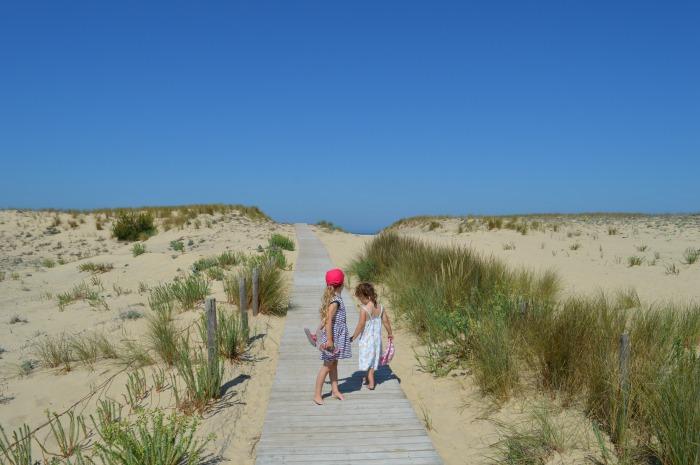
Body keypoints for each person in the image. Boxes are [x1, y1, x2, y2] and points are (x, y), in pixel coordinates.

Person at [313, 268, 351, 404]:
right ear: (341, 284)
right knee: (327, 365)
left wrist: (317, 332)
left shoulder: (334, 298)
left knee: (334, 364)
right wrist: (329, 340)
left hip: (335, 337)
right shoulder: (335, 301)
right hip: (332, 338)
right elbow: (328, 320)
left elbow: (325, 319)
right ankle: (317, 394)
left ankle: (335, 390)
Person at [349, 282, 393, 390]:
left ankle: (371, 381)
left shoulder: (364, 309)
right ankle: (367, 376)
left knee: (367, 357)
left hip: (367, 339)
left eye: (361, 298)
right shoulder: (380, 307)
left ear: (366, 296)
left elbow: (361, 325)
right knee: (373, 358)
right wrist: (390, 333)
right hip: (377, 340)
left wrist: (353, 336)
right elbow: (386, 321)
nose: (360, 300)